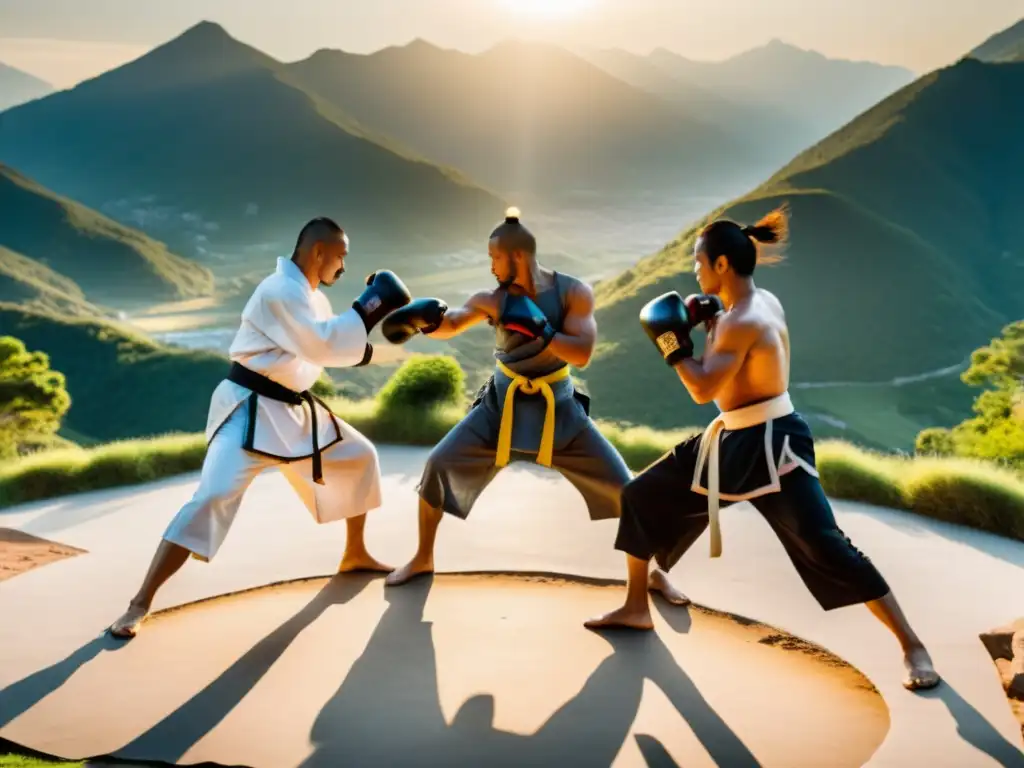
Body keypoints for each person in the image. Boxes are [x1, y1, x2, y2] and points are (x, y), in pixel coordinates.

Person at [585, 206, 942, 692]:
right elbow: (732, 367)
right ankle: (634, 607)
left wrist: (672, 344)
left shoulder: (742, 320)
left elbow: (702, 387)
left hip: (773, 444)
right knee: (641, 495)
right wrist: (704, 322)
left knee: (827, 545)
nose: (694, 269)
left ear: (722, 266)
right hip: (732, 435)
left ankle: (911, 645)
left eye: (698, 261)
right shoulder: (756, 303)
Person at [107, 217, 414, 638]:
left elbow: (324, 346)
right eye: (340, 257)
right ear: (318, 252)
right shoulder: (277, 291)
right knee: (211, 496)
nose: (342, 268)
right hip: (248, 410)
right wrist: (371, 306)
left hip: (292, 412)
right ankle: (138, 603)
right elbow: (322, 342)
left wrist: (378, 330)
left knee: (359, 456)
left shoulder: (309, 298)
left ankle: (355, 553)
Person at [377, 207, 687, 606]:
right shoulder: (493, 299)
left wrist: (541, 329)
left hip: (559, 410)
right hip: (499, 407)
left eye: (494, 258)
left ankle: (655, 574)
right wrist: (422, 321)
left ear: (517, 256)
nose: (490, 267)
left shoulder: (574, 293)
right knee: (438, 465)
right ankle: (422, 559)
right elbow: (454, 322)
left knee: (628, 490)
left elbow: (582, 353)